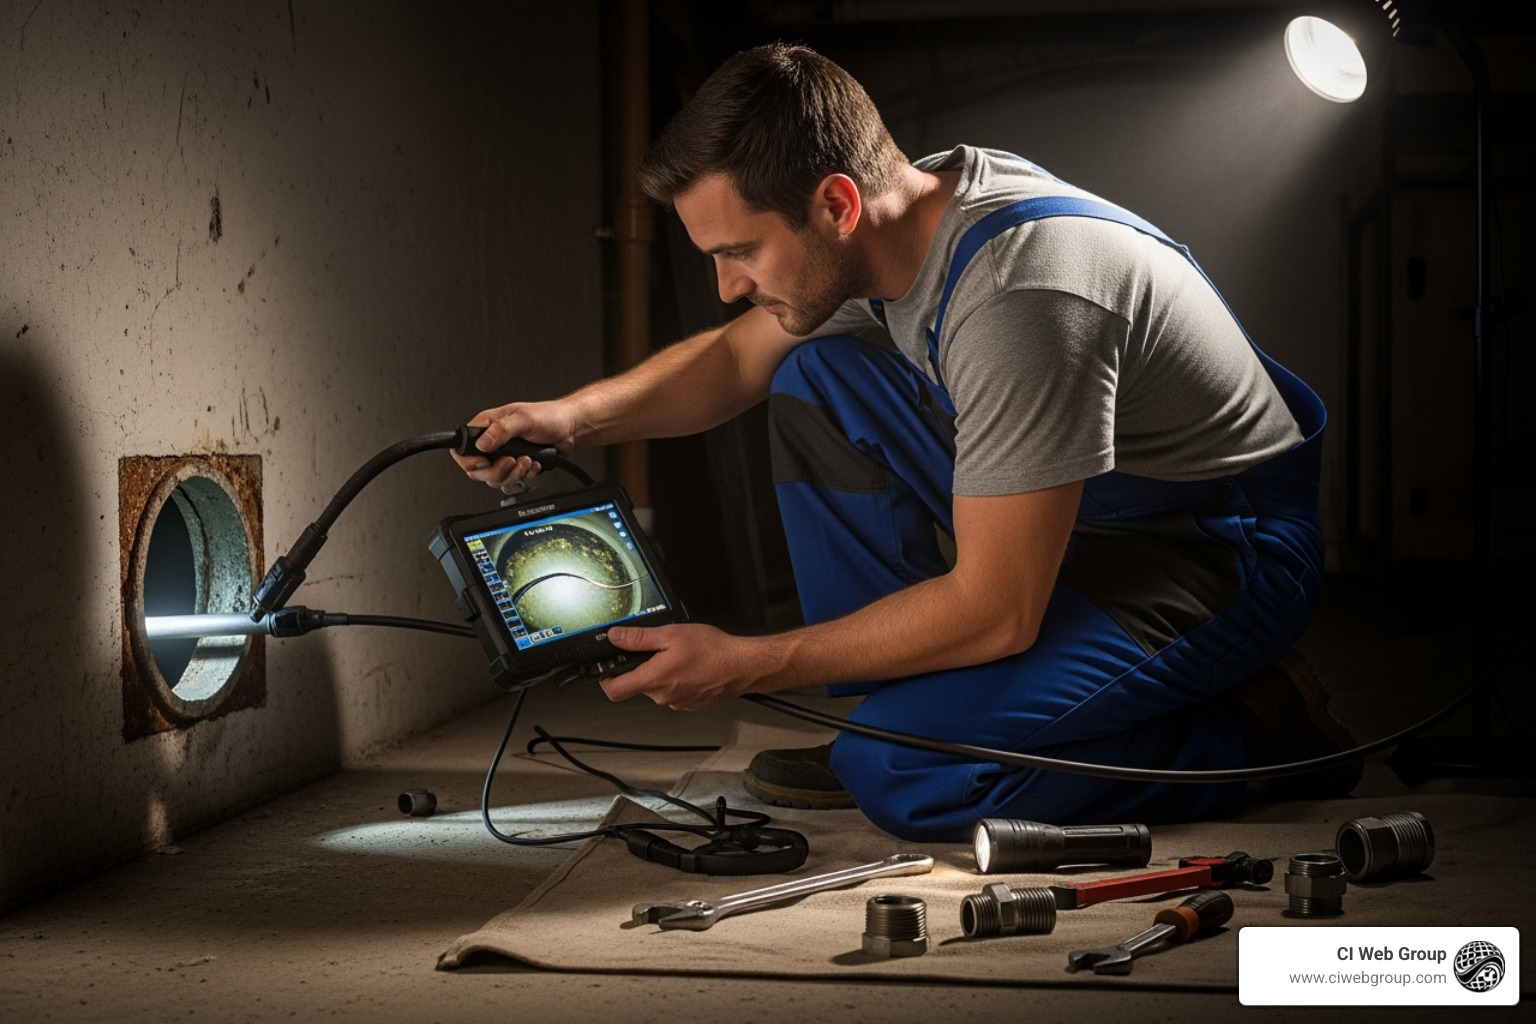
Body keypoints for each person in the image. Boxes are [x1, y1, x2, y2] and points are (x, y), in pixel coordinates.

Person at [455, 42, 1357, 843]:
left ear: (836, 203)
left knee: (908, 776)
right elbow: (734, 360)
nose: (727, 286)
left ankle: (1254, 726)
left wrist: (752, 663)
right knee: (814, 373)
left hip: (1215, 544)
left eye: (741, 252)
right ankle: (898, 715)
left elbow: (997, 611)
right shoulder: (901, 218)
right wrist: (571, 417)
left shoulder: (1020, 300)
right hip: (1090, 507)